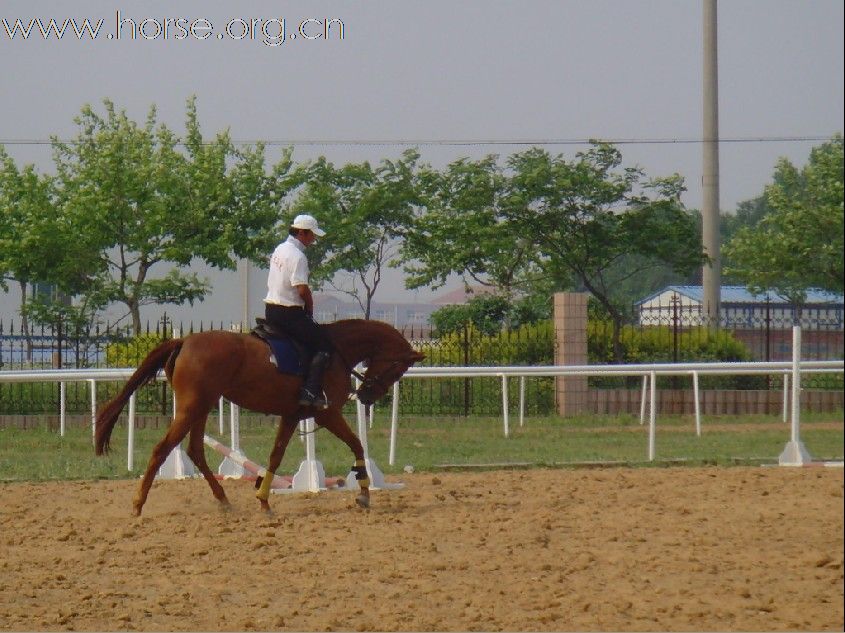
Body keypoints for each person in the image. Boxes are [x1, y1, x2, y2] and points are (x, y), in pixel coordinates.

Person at [264, 214, 334, 408]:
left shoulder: (280, 249)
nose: (313, 240)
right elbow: (302, 289)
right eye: (312, 235)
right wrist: (310, 309)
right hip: (289, 312)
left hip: (271, 309)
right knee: (324, 345)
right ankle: (310, 391)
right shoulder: (298, 256)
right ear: (302, 233)